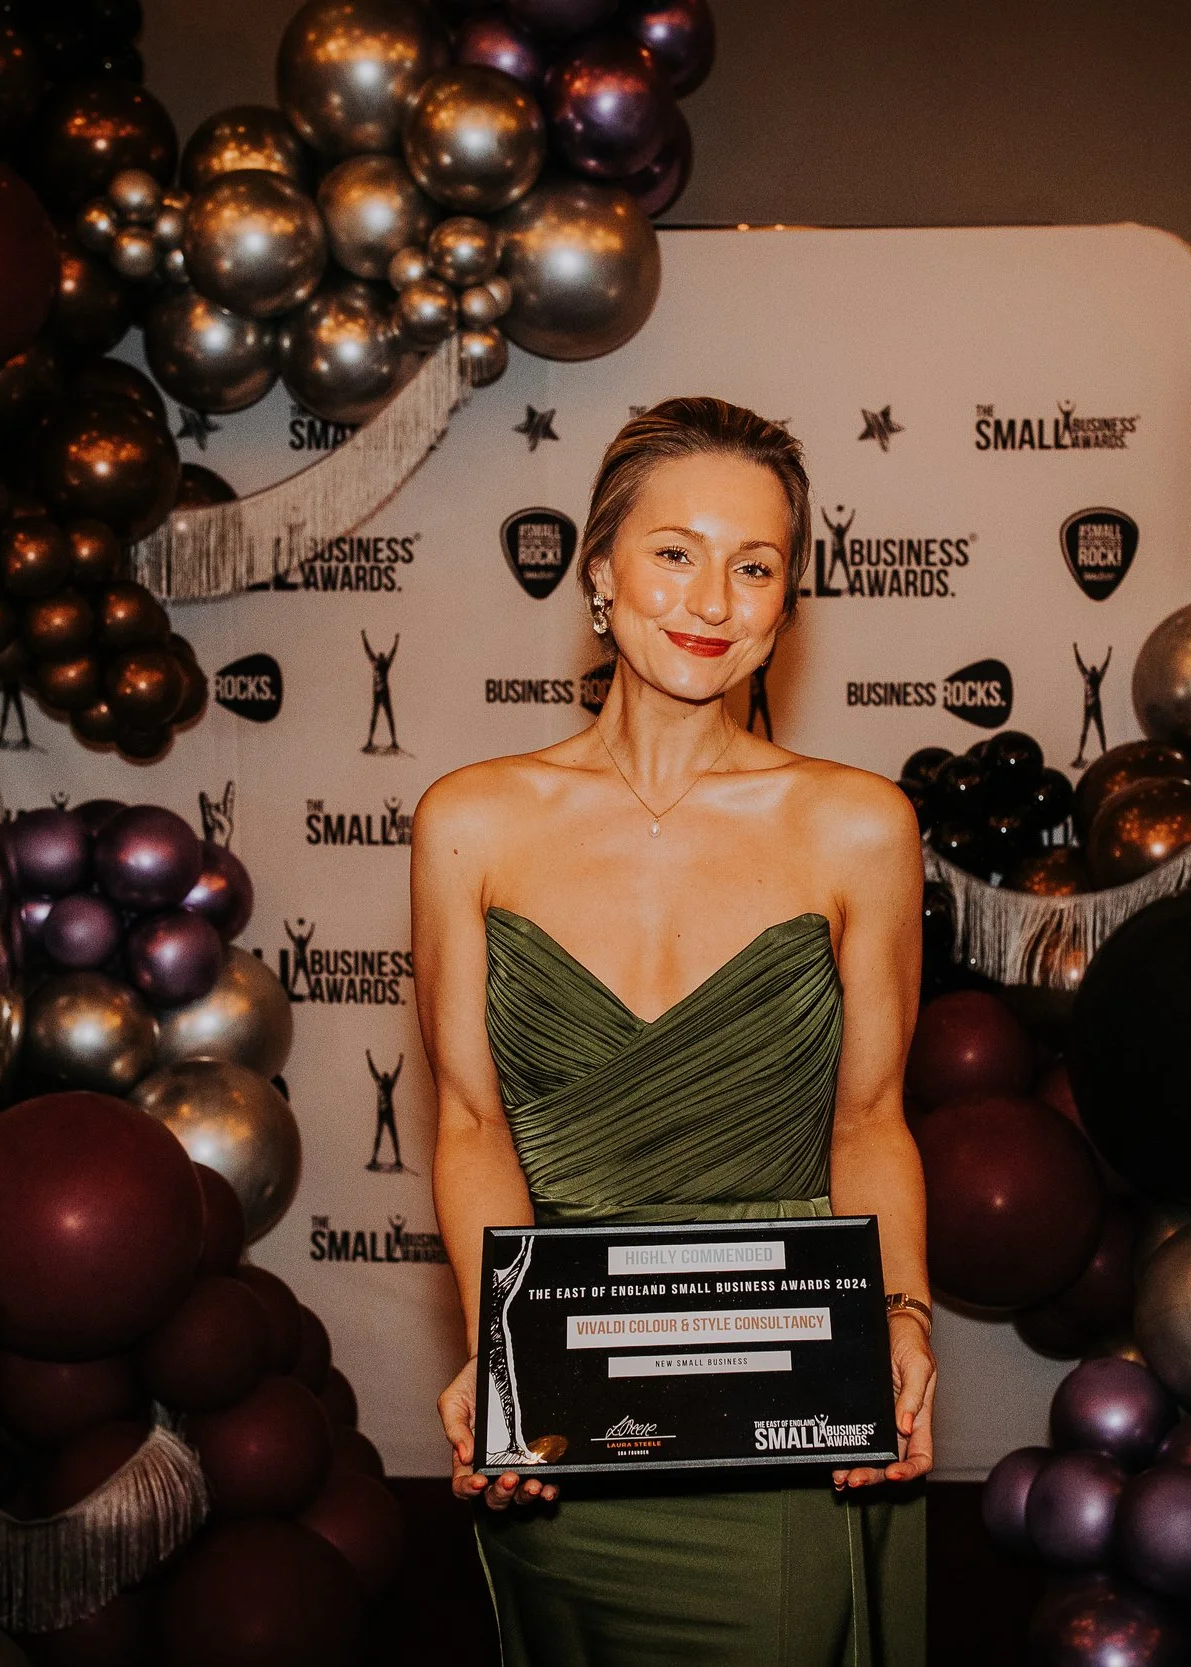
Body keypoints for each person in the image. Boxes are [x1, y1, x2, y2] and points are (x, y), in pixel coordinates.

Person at [413, 398, 933, 1665]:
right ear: (599, 569)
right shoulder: (471, 821)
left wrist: (904, 1321)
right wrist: (506, 1354)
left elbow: (868, 1119)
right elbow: (473, 1124)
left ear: (786, 599)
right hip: (572, 1416)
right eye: (675, 552)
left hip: (784, 1406)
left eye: (755, 565)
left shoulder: (859, 826)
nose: (713, 596)